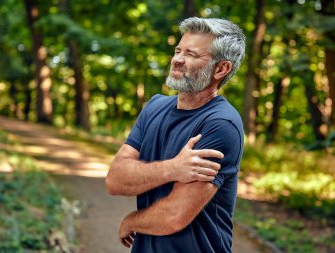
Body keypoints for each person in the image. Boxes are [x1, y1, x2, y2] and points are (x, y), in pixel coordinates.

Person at [105, 17, 246, 253]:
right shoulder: (154, 107)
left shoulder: (221, 124)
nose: (177, 60)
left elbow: (173, 216)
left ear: (221, 69)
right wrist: (172, 168)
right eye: (178, 50)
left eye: (192, 54)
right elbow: (115, 180)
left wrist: (132, 221)